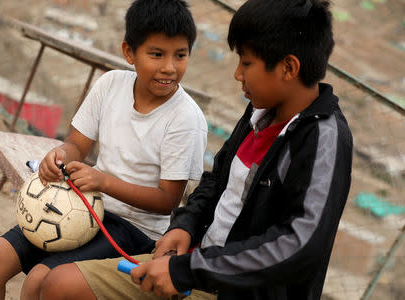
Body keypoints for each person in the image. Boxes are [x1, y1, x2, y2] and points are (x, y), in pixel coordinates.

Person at [38, 0, 353, 299]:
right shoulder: (260, 112)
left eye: (246, 63)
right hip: (193, 265)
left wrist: (187, 270)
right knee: (59, 285)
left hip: (233, 289)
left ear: (288, 68)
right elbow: (216, 180)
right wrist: (185, 226)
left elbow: (301, 245)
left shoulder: (324, 138)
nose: (238, 75)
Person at [0, 0, 207, 299]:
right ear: (129, 52)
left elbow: (167, 200)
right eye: (157, 54)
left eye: (180, 55)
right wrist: (59, 157)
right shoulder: (110, 85)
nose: (169, 67)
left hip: (134, 229)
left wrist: (103, 182)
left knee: (40, 280)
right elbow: (75, 145)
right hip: (85, 207)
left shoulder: (186, 118)